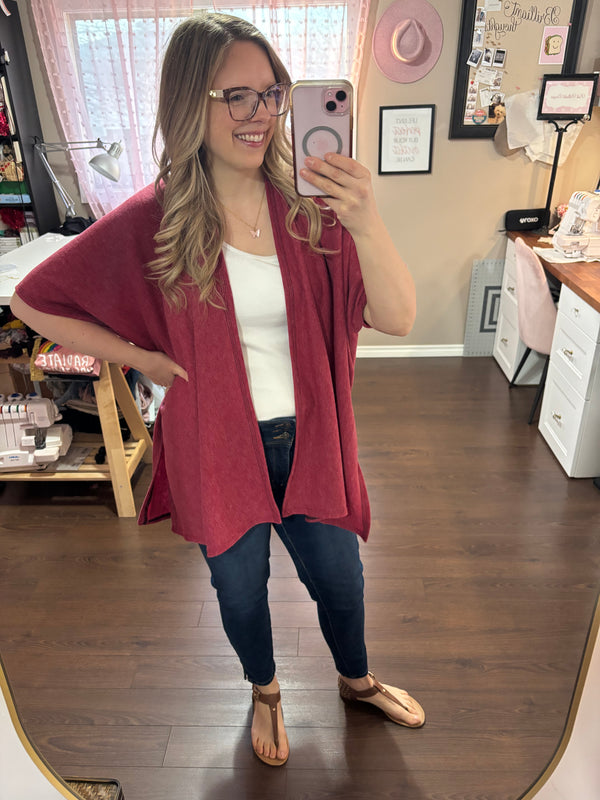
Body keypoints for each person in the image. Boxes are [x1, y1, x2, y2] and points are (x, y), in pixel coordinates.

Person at [11, 12, 422, 767]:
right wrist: (140, 355)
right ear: (188, 104)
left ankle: (355, 680)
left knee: (341, 579)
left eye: (271, 94)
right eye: (237, 96)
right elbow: (32, 300)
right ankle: (264, 691)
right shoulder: (153, 220)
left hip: (312, 438)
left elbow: (398, 316)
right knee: (239, 593)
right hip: (215, 442)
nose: (259, 115)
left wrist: (367, 220)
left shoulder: (312, 209)